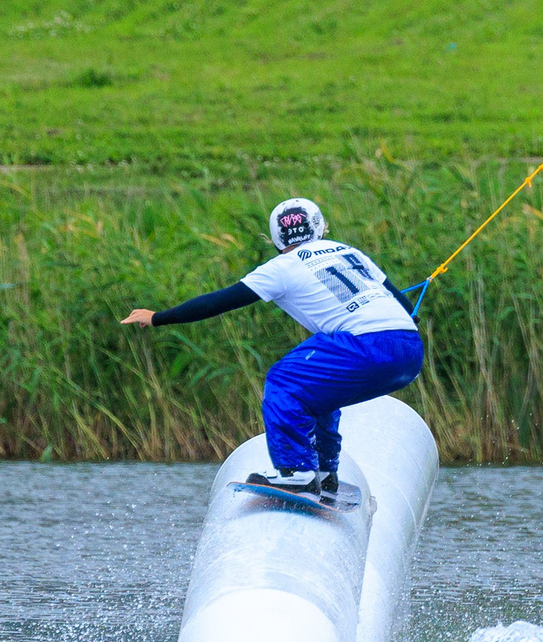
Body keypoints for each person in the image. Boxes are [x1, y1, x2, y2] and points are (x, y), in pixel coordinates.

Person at [121, 198, 423, 511]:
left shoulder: (281, 269)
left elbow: (219, 302)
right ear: (322, 228)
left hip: (366, 346)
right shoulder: (350, 252)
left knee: (284, 379)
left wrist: (159, 317)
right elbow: (407, 310)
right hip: (409, 350)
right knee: (317, 392)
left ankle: (297, 474)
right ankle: (324, 471)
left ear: (274, 239)